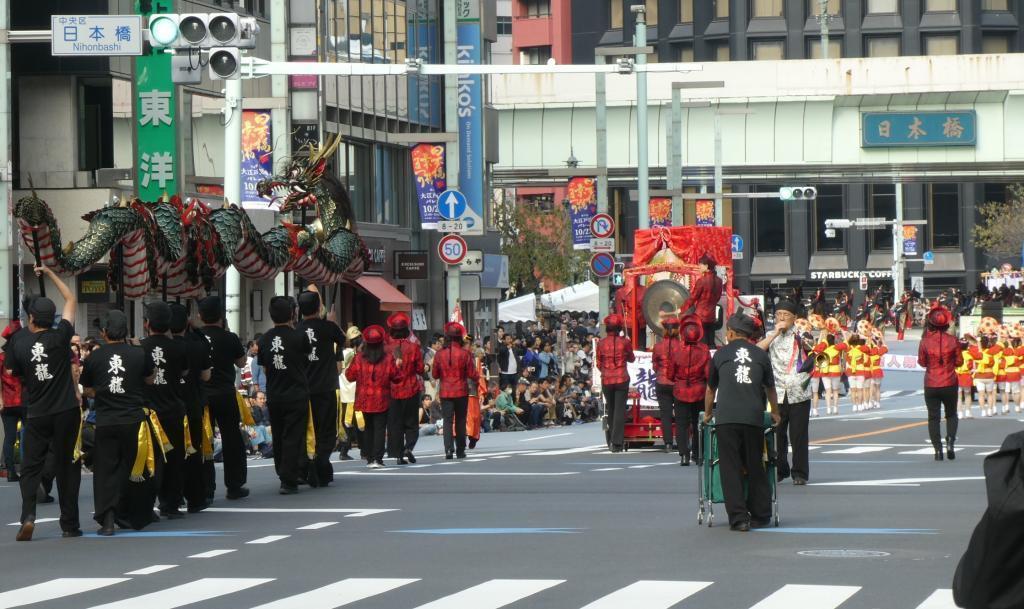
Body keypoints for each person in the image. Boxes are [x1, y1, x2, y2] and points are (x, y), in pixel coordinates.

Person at [6, 266, 81, 541]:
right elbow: (71, 300)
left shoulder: (19, 339)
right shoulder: (61, 336)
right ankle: (69, 524)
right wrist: (49, 273)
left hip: (36, 412)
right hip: (65, 410)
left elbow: (12, 372)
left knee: (31, 466)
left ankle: (28, 515)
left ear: (31, 317)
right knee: (66, 466)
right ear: (52, 318)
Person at [79, 310, 154, 535]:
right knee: (134, 468)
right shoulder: (139, 354)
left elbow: (88, 389)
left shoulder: (94, 357)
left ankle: (108, 519)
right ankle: (134, 515)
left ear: (103, 332)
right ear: (127, 331)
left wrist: (101, 393)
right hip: (133, 419)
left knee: (105, 470)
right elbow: (150, 379)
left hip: (106, 420)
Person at [705, 313, 780, 532]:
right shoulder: (760, 355)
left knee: (731, 468)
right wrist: (775, 412)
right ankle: (761, 514)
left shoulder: (720, 355)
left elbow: (711, 390)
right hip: (752, 418)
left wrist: (708, 413)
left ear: (730, 333)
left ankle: (739, 518)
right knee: (755, 464)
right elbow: (770, 388)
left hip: (727, 419)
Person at [257, 297, 313, 494]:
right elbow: (307, 359)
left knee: (279, 435)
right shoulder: (299, 336)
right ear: (292, 314)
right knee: (293, 436)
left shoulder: (264, 339)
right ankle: (289, 478)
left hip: (275, 394)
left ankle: (282, 472)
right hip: (296, 393)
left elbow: (264, 368)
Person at [141, 302, 189, 519]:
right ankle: (171, 504)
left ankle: (147, 505)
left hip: (149, 412)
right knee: (175, 459)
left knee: (151, 460)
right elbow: (185, 371)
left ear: (147, 324)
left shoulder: (140, 347)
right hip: (173, 409)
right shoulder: (179, 347)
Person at [198, 296, 250, 500]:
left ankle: (205, 487)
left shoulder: (195, 337)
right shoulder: (230, 337)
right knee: (231, 439)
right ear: (221, 315)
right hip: (225, 394)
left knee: (204, 440)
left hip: (202, 394)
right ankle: (234, 485)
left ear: (200, 316)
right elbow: (241, 361)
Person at [757, 299, 813, 486]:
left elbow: (814, 351)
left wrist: (806, 342)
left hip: (799, 392)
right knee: (777, 434)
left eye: (786, 315)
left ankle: (800, 473)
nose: (781, 318)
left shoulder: (802, 334)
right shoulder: (769, 335)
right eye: (778, 314)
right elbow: (758, 350)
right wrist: (774, 334)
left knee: (799, 435)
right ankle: (780, 470)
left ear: (794, 318)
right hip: (778, 392)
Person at [295, 289, 345, 485]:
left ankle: (304, 468)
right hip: (325, 387)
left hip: (303, 388)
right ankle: (321, 464)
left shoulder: (296, 330)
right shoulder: (328, 327)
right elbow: (344, 340)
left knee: (305, 429)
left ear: (300, 309)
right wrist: (333, 321)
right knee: (326, 430)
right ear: (319, 307)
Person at [169, 303, 213, 513]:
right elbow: (206, 375)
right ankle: (196, 497)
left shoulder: (159, 347)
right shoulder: (198, 344)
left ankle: (172, 498)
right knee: (193, 452)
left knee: (170, 455)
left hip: (169, 406)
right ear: (187, 321)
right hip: (194, 403)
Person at [344, 325, 398, 468]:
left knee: (368, 428)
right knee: (380, 428)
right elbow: (397, 377)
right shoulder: (388, 358)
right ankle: (377, 459)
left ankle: (369, 457)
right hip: (382, 398)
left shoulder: (359, 358)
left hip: (365, 398)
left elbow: (349, 376)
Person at [918, 305, 962, 461]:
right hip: (949, 381)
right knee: (951, 414)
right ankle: (950, 441)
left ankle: (938, 450)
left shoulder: (925, 341)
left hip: (931, 382)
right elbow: (959, 362)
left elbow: (922, 362)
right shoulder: (953, 340)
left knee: (933, 417)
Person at [431, 323, 479, 459]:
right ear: (459, 338)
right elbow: (472, 373)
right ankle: (460, 450)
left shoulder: (439, 354)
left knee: (447, 420)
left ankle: (448, 449)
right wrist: (478, 377)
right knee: (460, 420)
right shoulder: (465, 353)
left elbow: (434, 374)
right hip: (461, 391)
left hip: (445, 391)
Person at [384, 312, 424, 465]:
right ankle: (409, 446)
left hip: (392, 390)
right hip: (411, 388)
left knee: (396, 423)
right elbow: (420, 369)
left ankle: (398, 453)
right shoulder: (414, 347)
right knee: (412, 422)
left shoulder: (387, 348)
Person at [671, 314, 710, 466]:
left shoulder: (676, 350)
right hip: (699, 390)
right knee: (698, 423)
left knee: (681, 424)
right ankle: (698, 454)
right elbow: (708, 373)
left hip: (680, 390)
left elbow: (669, 372)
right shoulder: (705, 350)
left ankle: (683, 455)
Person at [596, 314, 635, 452]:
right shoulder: (625, 342)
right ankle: (617, 442)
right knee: (619, 409)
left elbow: (598, 364)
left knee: (611, 409)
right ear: (619, 328)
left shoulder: (601, 343)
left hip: (606, 379)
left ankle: (611, 440)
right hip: (621, 378)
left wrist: (607, 370)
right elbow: (632, 359)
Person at [680, 253, 724, 348]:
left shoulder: (702, 281)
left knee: (701, 344)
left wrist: (681, 310)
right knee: (711, 343)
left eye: (701, 264)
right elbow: (718, 297)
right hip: (712, 316)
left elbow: (692, 298)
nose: (699, 266)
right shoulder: (719, 281)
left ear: (706, 266)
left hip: (700, 317)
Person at [652, 316, 681, 453]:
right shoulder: (682, 346)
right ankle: (682, 443)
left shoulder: (658, 346)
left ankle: (668, 443)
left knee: (665, 415)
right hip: (677, 383)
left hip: (662, 382)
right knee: (681, 414)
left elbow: (655, 366)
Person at [0, 321, 25, 482]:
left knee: (9, 438)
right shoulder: (23, 353)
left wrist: (0, 399)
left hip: (7, 403)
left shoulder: (2, 357)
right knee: (28, 436)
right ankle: (28, 469)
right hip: (25, 401)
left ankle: (9, 471)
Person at [337, 326, 361, 460]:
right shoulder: (355, 355)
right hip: (354, 391)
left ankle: (344, 448)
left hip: (344, 391)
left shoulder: (342, 352)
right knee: (357, 422)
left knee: (347, 423)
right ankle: (359, 448)